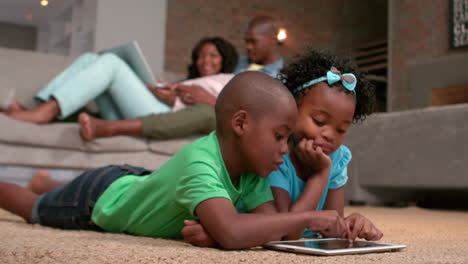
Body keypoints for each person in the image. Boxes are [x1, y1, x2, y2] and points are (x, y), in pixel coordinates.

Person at [0, 71, 350, 250]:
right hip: (98, 199)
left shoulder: (255, 169)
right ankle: (39, 188)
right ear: (241, 123)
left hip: (136, 181)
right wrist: (308, 216)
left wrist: (216, 235)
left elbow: (273, 232)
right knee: (34, 209)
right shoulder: (200, 162)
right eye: (279, 136)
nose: (285, 150)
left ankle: (48, 180)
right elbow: (231, 231)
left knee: (136, 186)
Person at [181, 49, 383, 247]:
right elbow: (288, 234)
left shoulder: (337, 157)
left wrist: (351, 222)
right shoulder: (276, 155)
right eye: (319, 121)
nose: (330, 135)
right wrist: (320, 174)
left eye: (341, 129)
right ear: (292, 110)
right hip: (250, 225)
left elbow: (331, 227)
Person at [77, 15, 284, 141]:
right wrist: (174, 90)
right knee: (92, 59)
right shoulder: (240, 63)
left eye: (253, 42)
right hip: (197, 109)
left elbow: (260, 117)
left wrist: (211, 101)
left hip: (231, 123)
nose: (248, 47)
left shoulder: (278, 78)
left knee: (205, 112)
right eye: (246, 42)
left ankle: (108, 126)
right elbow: (201, 81)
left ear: (273, 39)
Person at [4, 37, 238, 128]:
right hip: (151, 106)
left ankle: (45, 114)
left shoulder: (230, 81)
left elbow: (230, 111)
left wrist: (178, 98)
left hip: (162, 117)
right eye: (201, 55)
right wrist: (163, 89)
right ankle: (40, 107)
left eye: (213, 55)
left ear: (225, 59)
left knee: (111, 63)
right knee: (90, 59)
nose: (205, 60)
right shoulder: (194, 79)